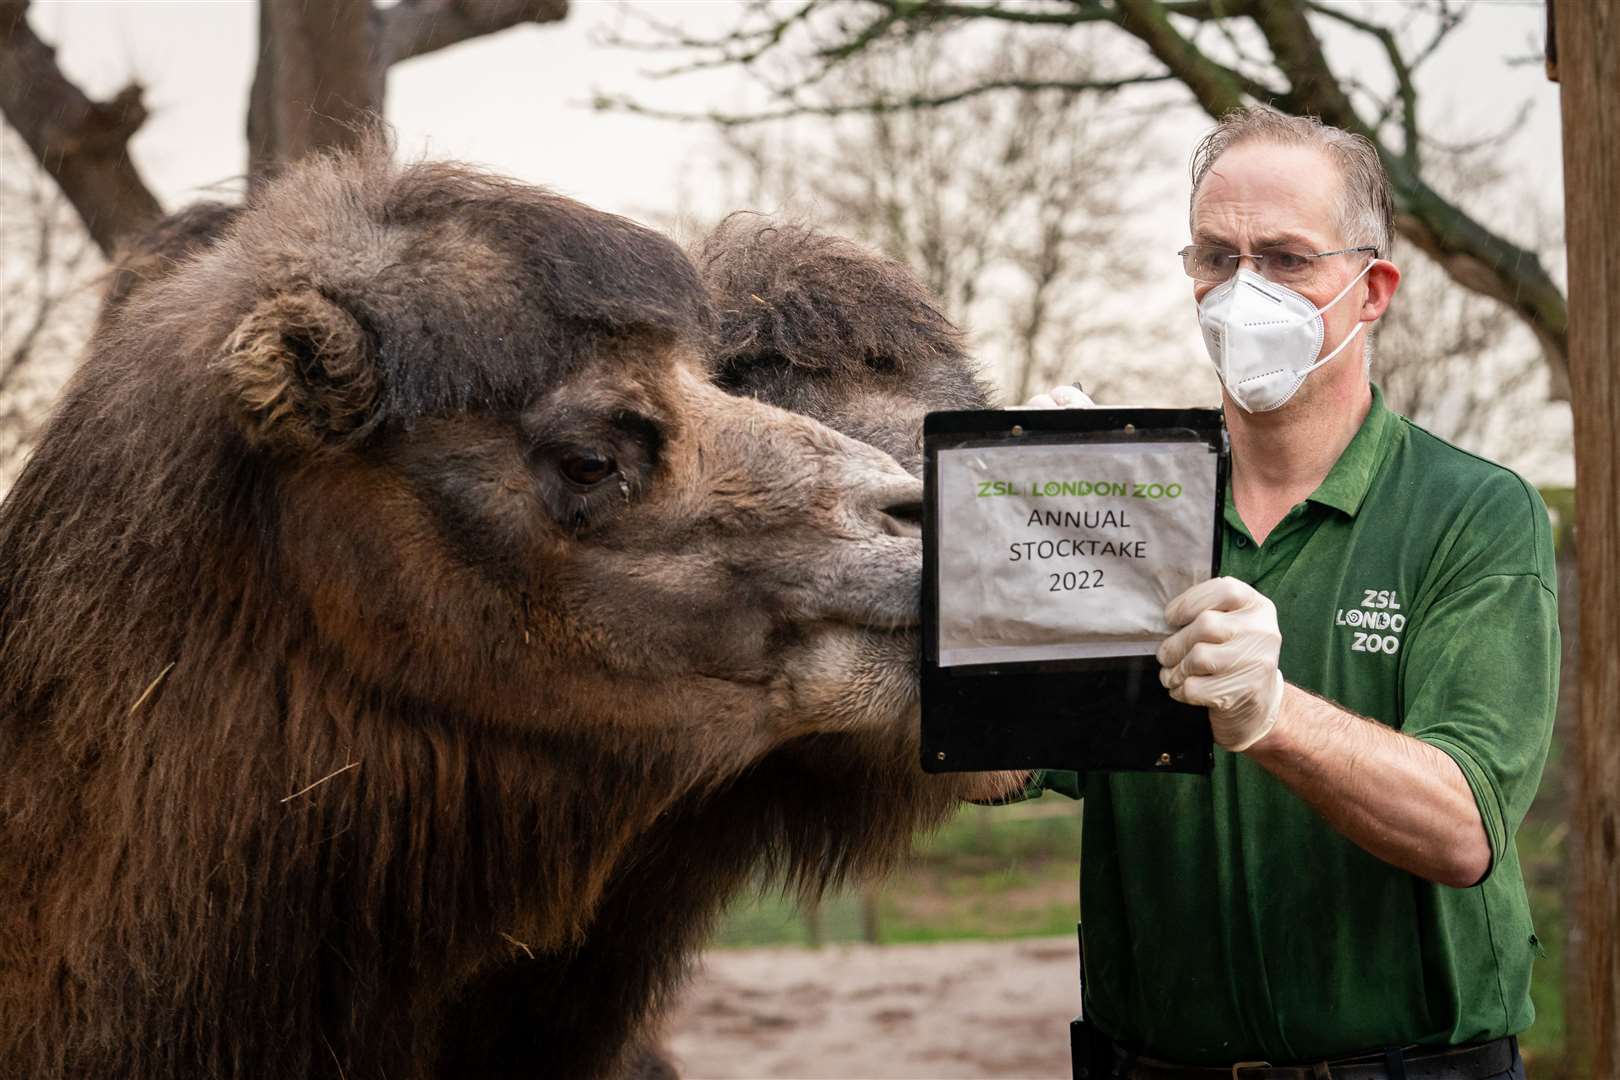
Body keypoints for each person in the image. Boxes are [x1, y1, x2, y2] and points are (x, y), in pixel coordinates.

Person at [1017, 106, 1556, 1079]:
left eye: (1286, 258)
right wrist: (988, 540)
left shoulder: (1472, 513)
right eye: (1216, 259)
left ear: (1372, 289)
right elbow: (987, 767)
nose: (1242, 291)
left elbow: (1465, 829)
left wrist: (1270, 715)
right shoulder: (1131, 503)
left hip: (1410, 1068)